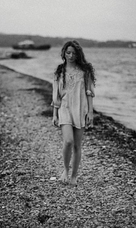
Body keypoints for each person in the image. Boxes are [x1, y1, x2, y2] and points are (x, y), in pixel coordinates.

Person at [52, 40, 96, 185]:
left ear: (78, 54)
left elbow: (89, 92)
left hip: (80, 109)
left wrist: (90, 112)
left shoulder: (85, 72)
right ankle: (65, 169)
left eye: (73, 53)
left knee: (77, 145)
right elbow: (56, 95)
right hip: (64, 108)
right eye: (68, 52)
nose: (70, 55)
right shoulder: (59, 71)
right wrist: (54, 114)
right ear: (64, 53)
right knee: (68, 141)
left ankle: (74, 175)